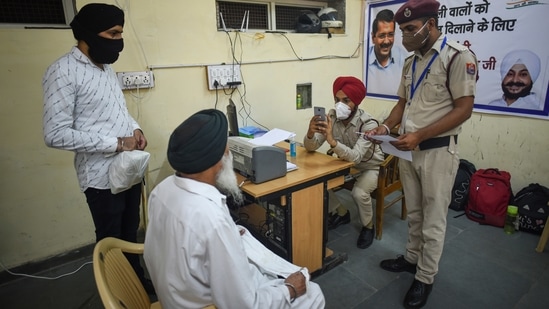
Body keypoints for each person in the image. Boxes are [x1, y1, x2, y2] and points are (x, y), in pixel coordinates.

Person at [143, 109, 325, 308]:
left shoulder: (161, 190)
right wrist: (290, 289)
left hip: (177, 294)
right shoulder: (212, 220)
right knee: (313, 293)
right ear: (218, 157)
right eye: (226, 146)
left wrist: (226, 236)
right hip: (207, 304)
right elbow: (246, 305)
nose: (229, 151)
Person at [365, 0, 477, 308]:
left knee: (433, 221)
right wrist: (385, 128)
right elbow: (402, 105)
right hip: (407, 151)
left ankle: (425, 277)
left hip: (437, 152)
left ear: (431, 24)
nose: (405, 36)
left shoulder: (457, 56)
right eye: (402, 30)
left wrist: (420, 135)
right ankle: (412, 260)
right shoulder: (410, 61)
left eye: (411, 29)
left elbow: (464, 109)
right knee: (414, 213)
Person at [42, 3, 153, 293]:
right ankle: (117, 294)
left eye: (120, 34)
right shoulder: (63, 72)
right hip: (100, 178)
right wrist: (116, 143)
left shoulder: (105, 68)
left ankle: (137, 286)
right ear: (90, 33)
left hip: (126, 169)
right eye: (113, 34)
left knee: (130, 233)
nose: (118, 41)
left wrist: (135, 128)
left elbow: (117, 110)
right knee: (110, 240)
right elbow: (55, 134)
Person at [303, 76, 384, 249]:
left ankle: (368, 226)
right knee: (318, 182)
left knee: (359, 193)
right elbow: (311, 147)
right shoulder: (331, 117)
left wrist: (332, 141)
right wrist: (310, 134)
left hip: (370, 166)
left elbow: (356, 157)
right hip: (345, 164)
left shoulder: (368, 124)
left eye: (346, 100)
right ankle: (341, 212)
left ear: (356, 101)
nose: (340, 105)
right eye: (337, 100)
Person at [367, 9, 408, 95]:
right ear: (373, 37)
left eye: (390, 35)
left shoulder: (404, 59)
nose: (386, 41)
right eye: (382, 36)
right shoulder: (365, 60)